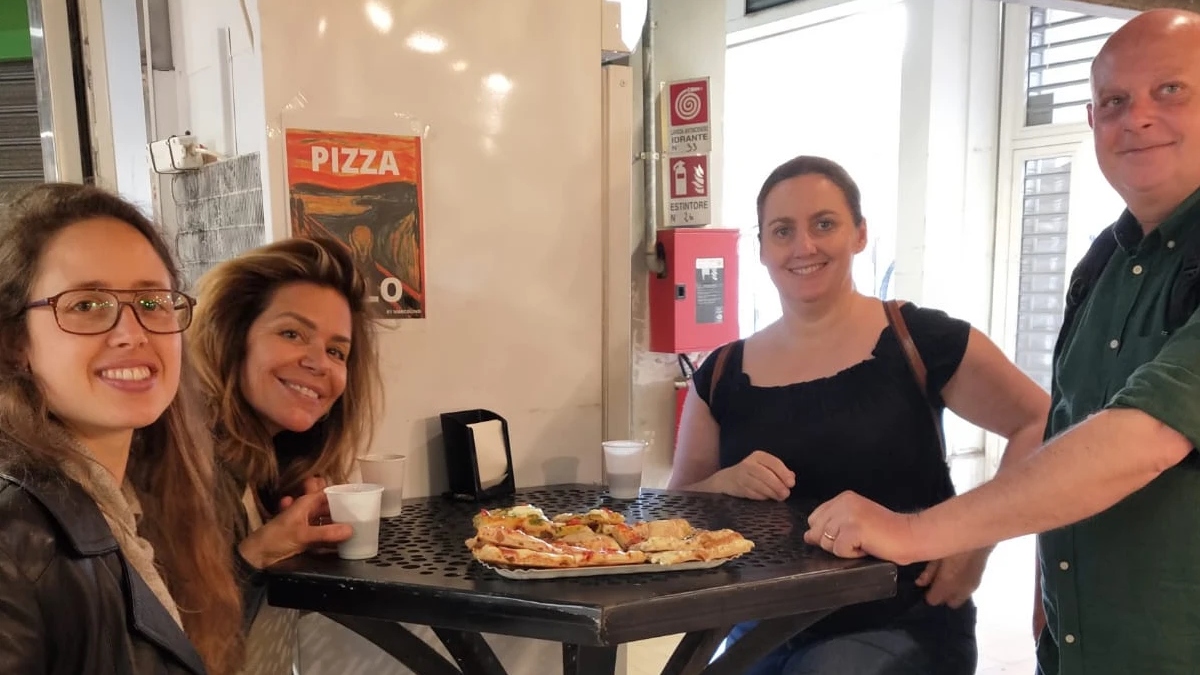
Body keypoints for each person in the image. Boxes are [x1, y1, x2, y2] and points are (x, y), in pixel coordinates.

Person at [803, 9, 1200, 675]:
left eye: (1171, 91)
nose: (1136, 119)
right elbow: (1070, 425)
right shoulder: (1105, 263)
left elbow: (1142, 438)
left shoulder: (923, 335)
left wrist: (915, 530)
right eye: (1113, 101)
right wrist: (1051, 581)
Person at [669, 155, 1050, 674]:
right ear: (760, 248)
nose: (804, 246)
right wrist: (725, 482)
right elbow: (677, 503)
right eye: (783, 231)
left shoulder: (918, 339)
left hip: (899, 624)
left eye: (824, 224)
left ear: (860, 234)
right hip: (754, 630)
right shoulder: (722, 373)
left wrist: (974, 544)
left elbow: (1040, 421)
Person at [0, 183, 243, 674]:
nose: (132, 333)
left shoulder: (140, 501)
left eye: (152, 303)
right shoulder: (13, 534)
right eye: (86, 305)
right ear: (15, 343)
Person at [189, 236, 381, 674]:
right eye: (292, 333)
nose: (319, 363)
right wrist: (258, 554)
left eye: (337, 351)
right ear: (234, 338)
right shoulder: (187, 466)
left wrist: (296, 549)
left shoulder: (266, 469)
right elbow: (167, 643)